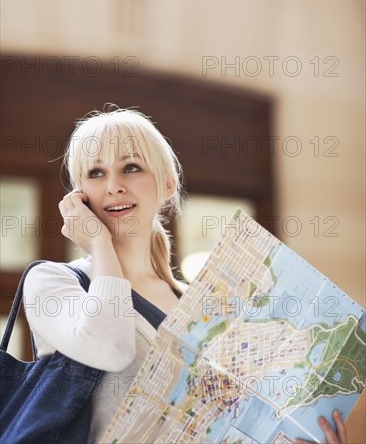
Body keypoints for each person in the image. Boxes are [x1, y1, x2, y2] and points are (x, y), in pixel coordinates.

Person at [23, 106, 348, 444]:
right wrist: (99, 243)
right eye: (95, 173)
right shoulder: (53, 282)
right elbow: (110, 349)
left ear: (167, 183)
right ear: (78, 196)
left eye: (131, 167)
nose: (114, 186)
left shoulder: (201, 306)